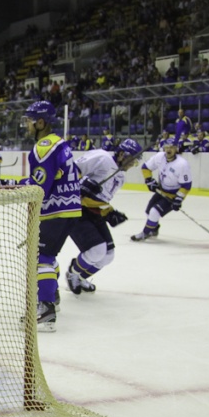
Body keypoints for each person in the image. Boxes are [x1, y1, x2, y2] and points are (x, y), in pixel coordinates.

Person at [20, 100, 81, 332]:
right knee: (48, 254)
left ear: (41, 122)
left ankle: (45, 310)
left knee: (41, 256)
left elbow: (40, 188)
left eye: (29, 120)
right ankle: (51, 296)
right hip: (69, 209)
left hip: (55, 210)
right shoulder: (60, 143)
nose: (27, 124)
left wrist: (15, 186)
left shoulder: (44, 146)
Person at [65, 138, 142, 295]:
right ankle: (73, 272)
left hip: (92, 213)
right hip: (76, 210)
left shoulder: (120, 177)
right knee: (97, 250)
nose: (132, 164)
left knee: (108, 255)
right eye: (131, 160)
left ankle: (80, 277)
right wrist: (78, 188)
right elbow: (71, 170)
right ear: (121, 154)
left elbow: (100, 200)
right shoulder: (102, 157)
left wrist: (109, 212)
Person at [131, 137, 192, 241]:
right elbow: (145, 168)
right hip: (161, 191)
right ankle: (154, 229)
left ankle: (145, 233)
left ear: (176, 148)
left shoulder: (182, 164)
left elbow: (186, 185)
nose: (169, 149)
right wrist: (149, 180)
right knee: (148, 212)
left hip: (173, 195)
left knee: (154, 212)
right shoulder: (159, 157)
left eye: (172, 147)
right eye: (167, 147)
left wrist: (178, 199)